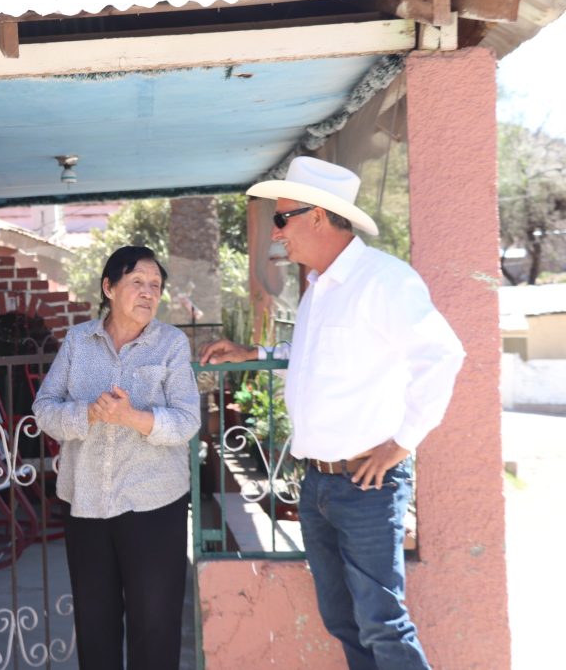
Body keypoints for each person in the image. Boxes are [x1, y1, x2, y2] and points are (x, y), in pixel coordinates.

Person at [199, 156, 465, 670]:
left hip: (367, 485)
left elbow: (443, 354)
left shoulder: (384, 280)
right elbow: (314, 358)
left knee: (382, 624)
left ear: (317, 216)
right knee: (342, 619)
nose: (278, 234)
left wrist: (402, 442)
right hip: (318, 484)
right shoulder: (320, 287)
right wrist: (255, 354)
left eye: (282, 219)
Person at [33, 246, 200, 670]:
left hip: (153, 505)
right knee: (95, 626)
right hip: (85, 502)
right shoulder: (77, 341)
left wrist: (133, 417)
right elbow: (45, 409)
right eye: (137, 283)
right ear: (108, 288)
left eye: (156, 286)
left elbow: (186, 421)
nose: (148, 294)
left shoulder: (171, 344)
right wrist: (87, 412)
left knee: (156, 627)